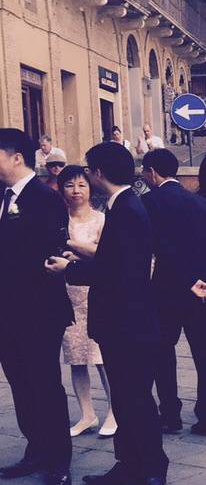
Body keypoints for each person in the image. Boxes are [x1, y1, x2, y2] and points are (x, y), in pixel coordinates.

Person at [45, 142, 168, 485]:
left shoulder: (128, 209)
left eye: (87, 169)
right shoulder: (123, 204)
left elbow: (121, 271)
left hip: (130, 324)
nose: (84, 175)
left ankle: (153, 468)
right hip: (120, 324)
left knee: (138, 400)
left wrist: (70, 269)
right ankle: (128, 464)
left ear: (98, 173)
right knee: (126, 400)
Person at [0, 128, 73, 485]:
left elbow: (50, 251)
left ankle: (58, 459)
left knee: (44, 384)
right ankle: (36, 448)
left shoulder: (44, 197)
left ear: (17, 157)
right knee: (20, 383)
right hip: (6, 313)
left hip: (38, 311)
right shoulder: (2, 196)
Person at [140, 149, 206, 438]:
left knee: (163, 353)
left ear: (151, 172)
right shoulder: (200, 204)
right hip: (201, 291)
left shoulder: (148, 202)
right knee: (205, 355)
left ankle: (170, 414)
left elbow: (157, 248)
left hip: (164, 290)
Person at [56, 165, 116, 439]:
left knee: (102, 358)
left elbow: (105, 254)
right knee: (76, 359)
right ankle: (86, 413)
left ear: (90, 187)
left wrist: (71, 247)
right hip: (67, 296)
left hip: (95, 295)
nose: (76, 190)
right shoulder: (59, 219)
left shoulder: (101, 220)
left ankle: (115, 411)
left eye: (81, 184)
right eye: (70, 185)